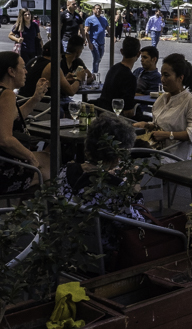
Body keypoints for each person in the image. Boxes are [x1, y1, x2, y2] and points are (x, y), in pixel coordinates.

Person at [58, 115, 147, 270]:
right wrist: (135, 190)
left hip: (65, 252)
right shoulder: (112, 187)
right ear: (119, 156)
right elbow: (139, 225)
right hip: (101, 259)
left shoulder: (65, 171)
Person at [0, 52, 50, 194]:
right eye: (23, 67)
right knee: (49, 168)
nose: (26, 71)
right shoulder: (6, 94)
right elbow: (4, 140)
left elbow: (10, 117)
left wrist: (35, 98)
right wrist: (30, 156)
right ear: (11, 71)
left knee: (47, 158)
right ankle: (36, 207)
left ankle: (27, 207)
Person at [134, 53, 192, 161]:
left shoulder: (190, 103)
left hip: (173, 158)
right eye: (162, 75)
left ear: (180, 78)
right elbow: (162, 125)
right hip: (155, 153)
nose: (162, 79)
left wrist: (168, 135)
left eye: (166, 75)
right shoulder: (162, 99)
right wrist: (148, 125)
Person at [97, 37, 141, 117]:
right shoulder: (130, 78)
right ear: (138, 54)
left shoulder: (113, 69)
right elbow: (128, 111)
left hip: (102, 112)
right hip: (116, 117)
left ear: (121, 51)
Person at [84, 4, 109, 76]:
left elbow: (108, 28)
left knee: (99, 58)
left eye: (99, 9)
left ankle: (94, 72)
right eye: (97, 9)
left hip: (102, 42)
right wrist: (89, 42)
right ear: (93, 10)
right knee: (96, 58)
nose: (98, 10)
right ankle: (94, 74)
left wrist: (113, 36)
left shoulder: (104, 19)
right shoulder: (89, 19)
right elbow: (86, 31)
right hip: (94, 41)